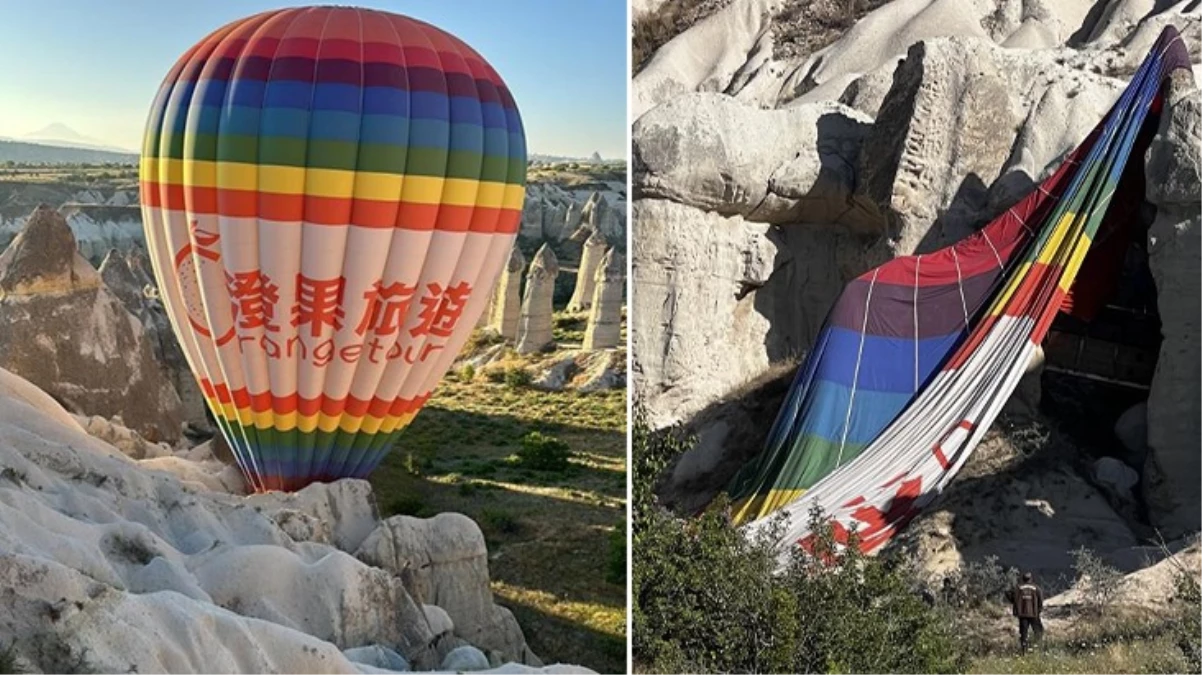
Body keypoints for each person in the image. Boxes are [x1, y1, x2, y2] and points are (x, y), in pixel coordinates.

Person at [1007, 571, 1044, 651]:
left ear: (1023, 579)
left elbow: (1008, 593)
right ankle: (1039, 649)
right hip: (1034, 614)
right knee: (1038, 632)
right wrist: (1039, 610)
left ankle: (1024, 651)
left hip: (1022, 614)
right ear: (1031, 579)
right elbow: (1040, 600)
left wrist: (1015, 603)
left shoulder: (1018, 588)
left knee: (1023, 634)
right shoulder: (1036, 588)